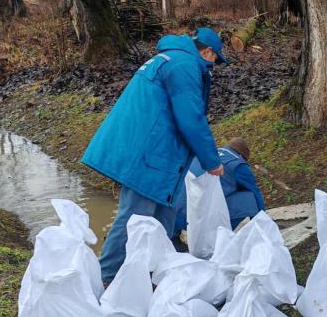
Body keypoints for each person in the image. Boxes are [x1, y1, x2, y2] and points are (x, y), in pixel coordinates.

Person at [81, 27, 229, 283]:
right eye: (213, 61)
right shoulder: (184, 65)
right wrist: (212, 161)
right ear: (207, 52)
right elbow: (191, 118)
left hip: (159, 152)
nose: (211, 68)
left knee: (164, 218)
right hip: (150, 154)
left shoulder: (172, 58)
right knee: (135, 218)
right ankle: (105, 280)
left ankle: (156, 278)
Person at [173, 137, 266, 239]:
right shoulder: (238, 165)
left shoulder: (206, 154)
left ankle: (174, 238)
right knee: (250, 198)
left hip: (176, 214)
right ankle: (218, 237)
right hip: (200, 221)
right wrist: (262, 222)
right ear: (241, 156)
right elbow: (255, 193)